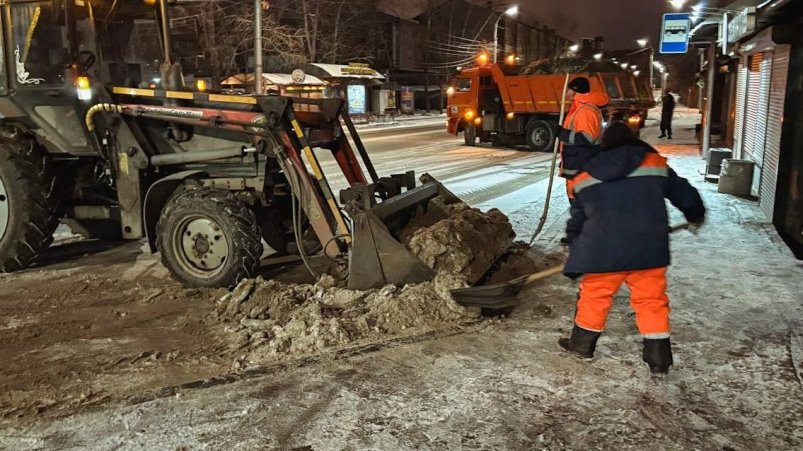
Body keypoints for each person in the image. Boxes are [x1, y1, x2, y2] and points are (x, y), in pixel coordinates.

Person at [559, 122, 706, 375]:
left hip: (602, 251)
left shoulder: (584, 176)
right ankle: (658, 360)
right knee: (652, 300)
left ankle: (582, 346)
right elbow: (685, 194)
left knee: (595, 296)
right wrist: (695, 215)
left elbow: (578, 221)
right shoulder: (654, 164)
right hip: (646, 248)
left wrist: (575, 251)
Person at [556, 77, 610, 245]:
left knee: (580, 204)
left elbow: (586, 138)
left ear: (576, 90)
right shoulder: (579, 108)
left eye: (570, 89)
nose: (567, 92)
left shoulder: (586, 110)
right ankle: (580, 236)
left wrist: (562, 134)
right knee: (578, 203)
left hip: (581, 165)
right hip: (576, 163)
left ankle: (579, 238)